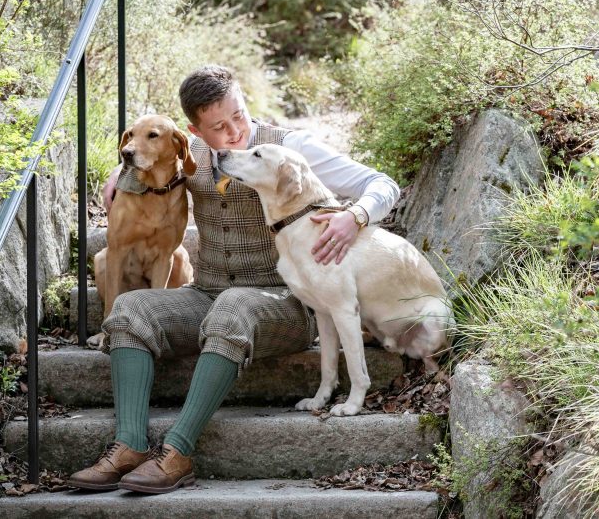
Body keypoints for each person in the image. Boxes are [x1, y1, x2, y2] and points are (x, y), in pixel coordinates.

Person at [67, 64, 399, 494]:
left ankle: (177, 452)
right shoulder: (190, 156)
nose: (235, 131)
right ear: (195, 130)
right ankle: (129, 444)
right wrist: (122, 173)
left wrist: (354, 216)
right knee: (131, 309)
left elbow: (381, 184)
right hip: (208, 291)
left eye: (239, 115)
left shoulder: (289, 147)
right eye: (219, 127)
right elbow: (146, 153)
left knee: (235, 307)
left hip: (286, 301)